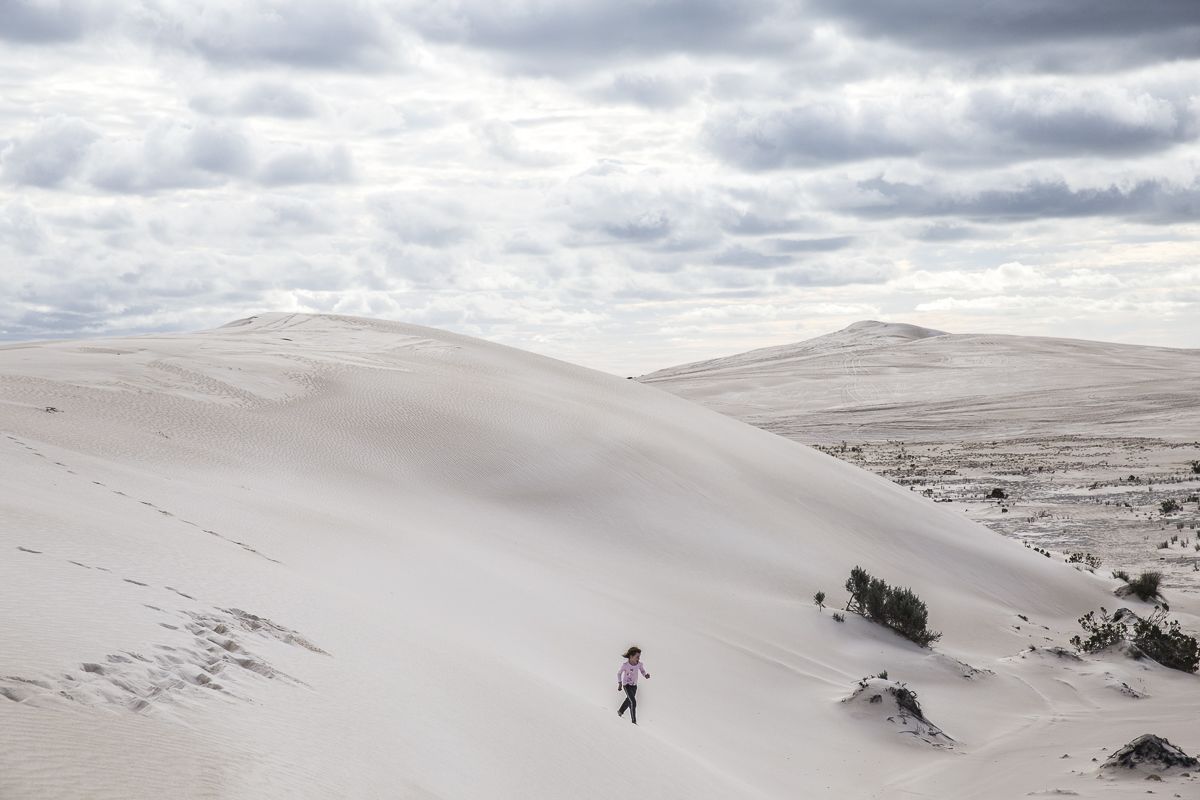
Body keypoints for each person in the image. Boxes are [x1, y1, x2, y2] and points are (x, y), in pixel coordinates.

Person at [616, 646, 650, 724]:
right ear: (631, 656)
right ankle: (634, 721)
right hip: (626, 685)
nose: (638, 659)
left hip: (634, 686)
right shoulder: (625, 665)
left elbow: (642, 671)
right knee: (633, 702)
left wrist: (645, 675)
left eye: (639, 657)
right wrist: (620, 683)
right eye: (637, 657)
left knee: (629, 700)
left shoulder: (639, 664)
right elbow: (619, 673)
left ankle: (620, 711)